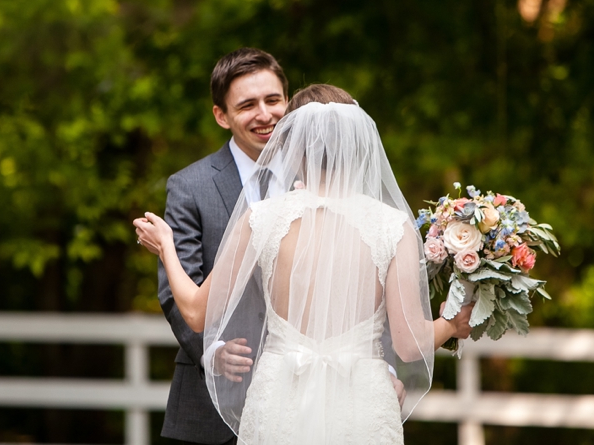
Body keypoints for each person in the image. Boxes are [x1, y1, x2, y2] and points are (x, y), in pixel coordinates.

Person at [140, 84, 473, 444]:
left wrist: (166, 247)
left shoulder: (261, 218)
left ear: (290, 144)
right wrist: (451, 324)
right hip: (360, 403)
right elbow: (410, 344)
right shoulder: (392, 227)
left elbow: (194, 312)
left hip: (279, 399)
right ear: (357, 142)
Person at [156, 48, 289, 445]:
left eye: (273, 100)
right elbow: (174, 290)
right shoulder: (189, 187)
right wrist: (211, 351)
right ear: (221, 116)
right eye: (247, 105)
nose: (264, 115)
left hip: (301, 399)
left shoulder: (318, 178)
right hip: (210, 409)